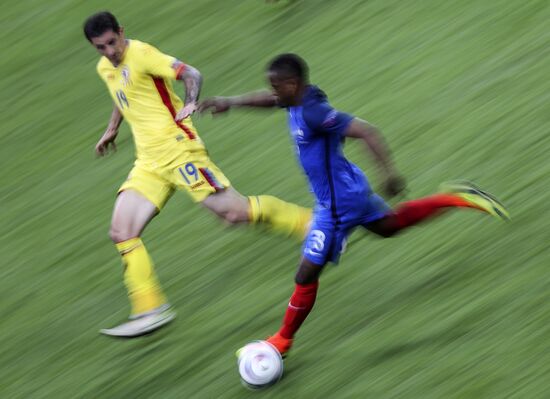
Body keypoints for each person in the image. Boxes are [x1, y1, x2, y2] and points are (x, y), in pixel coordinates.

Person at [199, 53, 509, 357]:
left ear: (292, 84)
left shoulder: (314, 113)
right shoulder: (296, 99)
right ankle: (455, 196)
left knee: (306, 274)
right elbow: (270, 100)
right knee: (387, 227)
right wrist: (231, 102)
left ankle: (282, 341)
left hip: (337, 206)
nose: (273, 92)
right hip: (350, 189)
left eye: (276, 86)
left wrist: (389, 174)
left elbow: (365, 131)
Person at [83, 13, 311, 338]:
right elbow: (124, 93)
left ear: (121, 33)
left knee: (233, 213)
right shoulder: (105, 67)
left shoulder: (143, 54)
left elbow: (191, 73)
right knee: (122, 231)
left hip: (179, 151)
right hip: (149, 162)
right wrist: (111, 129)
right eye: (100, 47)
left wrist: (189, 103)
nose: (109, 52)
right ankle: (150, 308)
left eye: (112, 42)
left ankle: (311, 225)